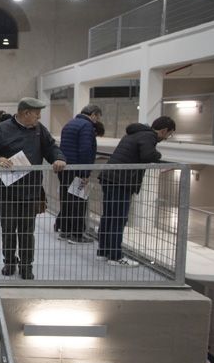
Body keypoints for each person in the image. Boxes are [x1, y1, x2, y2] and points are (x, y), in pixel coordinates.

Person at [0, 97, 67, 280]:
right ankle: (9, 262)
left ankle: (26, 265)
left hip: (31, 190)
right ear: (26, 113)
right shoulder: (2, 129)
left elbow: (51, 147)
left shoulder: (38, 130)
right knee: (9, 228)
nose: (39, 117)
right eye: (37, 114)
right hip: (7, 191)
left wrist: (59, 158)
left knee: (27, 230)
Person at [96, 116, 175, 266]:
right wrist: (158, 155)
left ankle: (103, 251)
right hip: (121, 181)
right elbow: (148, 155)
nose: (167, 137)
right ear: (164, 130)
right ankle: (115, 256)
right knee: (118, 219)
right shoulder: (149, 136)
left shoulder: (136, 133)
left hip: (110, 177)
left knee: (109, 216)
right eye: (169, 134)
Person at [54, 104, 101, 243]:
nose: (97, 121)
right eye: (97, 118)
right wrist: (85, 173)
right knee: (79, 202)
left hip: (66, 168)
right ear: (93, 115)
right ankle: (77, 234)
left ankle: (65, 232)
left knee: (67, 201)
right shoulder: (86, 126)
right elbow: (85, 150)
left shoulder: (70, 124)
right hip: (77, 170)